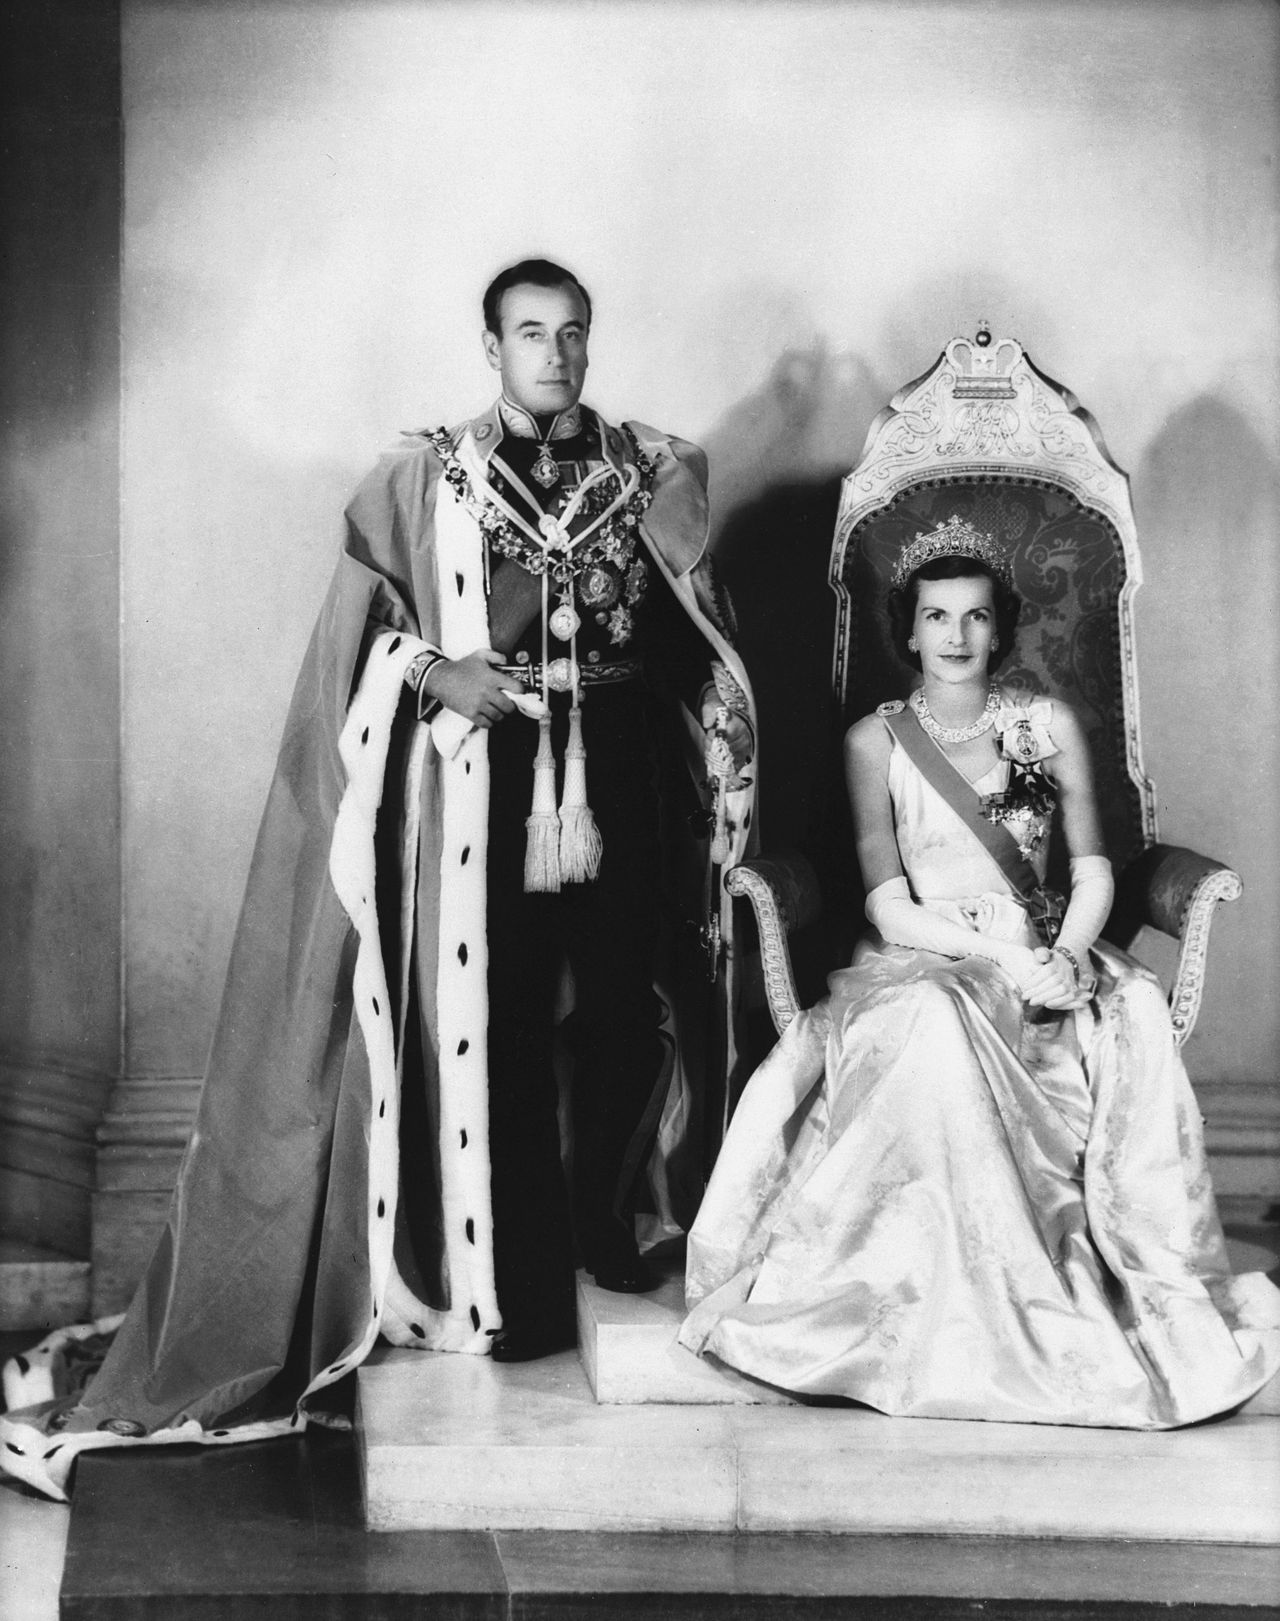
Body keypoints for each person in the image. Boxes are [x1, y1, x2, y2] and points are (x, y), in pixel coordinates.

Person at [1, 259, 755, 1500]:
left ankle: (611, 1237)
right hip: (489, 784)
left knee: (625, 1004)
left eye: (572, 334)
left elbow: (690, 636)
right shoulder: (422, 481)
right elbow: (365, 639)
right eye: (531, 334)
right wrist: (435, 673)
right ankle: (509, 1279)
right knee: (499, 1019)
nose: (556, 355)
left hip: (618, 777)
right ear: (489, 344)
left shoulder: (651, 473)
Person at [679, 516, 1280, 1428]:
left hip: (1046, 944)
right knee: (928, 1023)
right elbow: (885, 899)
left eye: (974, 617)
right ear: (908, 630)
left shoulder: (1046, 724)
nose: (955, 636)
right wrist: (1005, 957)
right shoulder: (873, 742)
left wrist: (1068, 958)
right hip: (924, 951)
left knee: (1127, 1010)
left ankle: (1054, 1295)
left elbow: (1091, 869)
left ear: (999, 629)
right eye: (935, 617)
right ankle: (927, 1299)